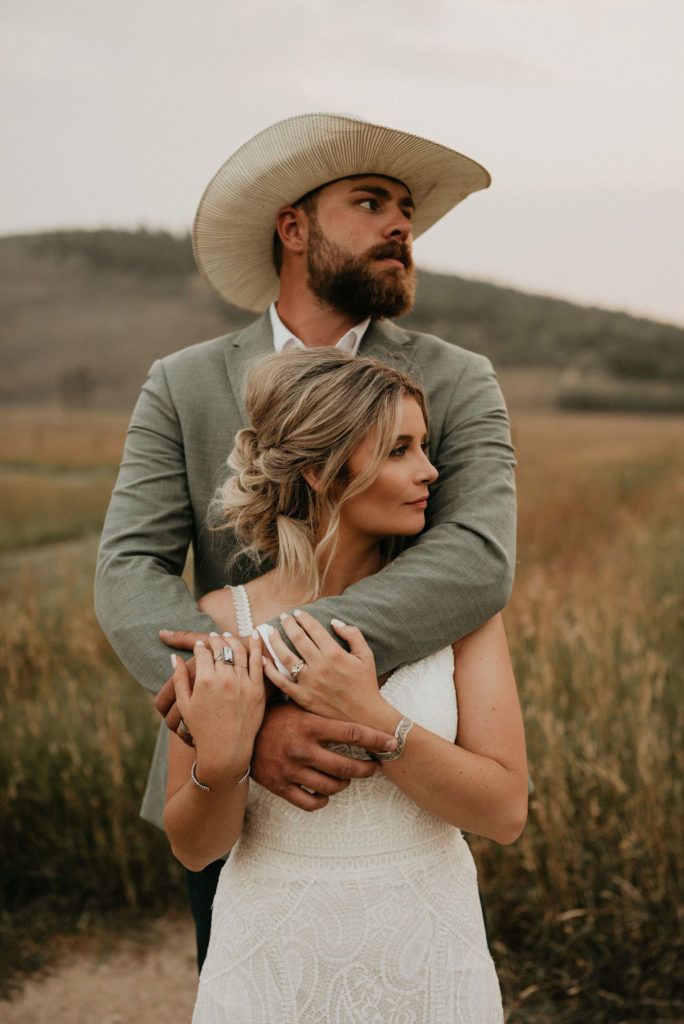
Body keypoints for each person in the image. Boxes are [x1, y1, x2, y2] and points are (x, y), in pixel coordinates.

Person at [94, 113, 518, 969]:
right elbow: (129, 569)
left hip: (401, 759)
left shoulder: (458, 380)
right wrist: (237, 727)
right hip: (225, 777)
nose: (401, 225)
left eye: (406, 209)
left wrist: (271, 694)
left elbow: (476, 556)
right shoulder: (182, 384)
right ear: (293, 228)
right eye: (370, 202)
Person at [163, 347, 527, 1022]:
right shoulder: (221, 619)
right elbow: (194, 846)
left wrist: (374, 717)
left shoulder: (465, 611)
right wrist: (225, 758)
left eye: (425, 445)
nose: (431, 471)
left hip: (425, 947)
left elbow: (505, 812)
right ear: (318, 469)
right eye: (400, 450)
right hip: (275, 956)